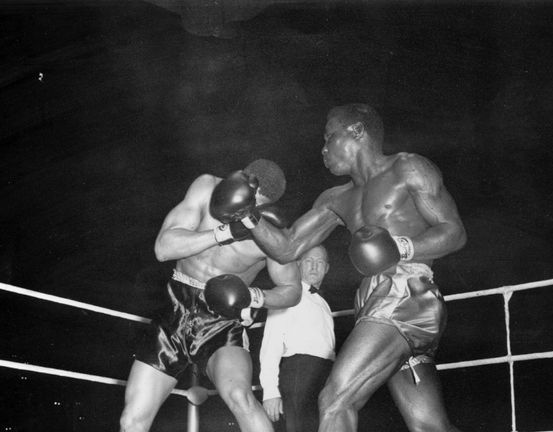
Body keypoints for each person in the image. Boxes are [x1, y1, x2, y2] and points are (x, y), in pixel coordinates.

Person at [229, 104, 467, 431]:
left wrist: (401, 247)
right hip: (375, 303)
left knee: (335, 400)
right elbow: (287, 248)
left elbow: (453, 231)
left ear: (357, 131)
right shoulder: (335, 199)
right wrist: (246, 215)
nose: (323, 149)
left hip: (406, 293)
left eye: (329, 138)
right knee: (429, 426)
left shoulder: (408, 168)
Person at [119, 159, 302, 432]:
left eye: (256, 207)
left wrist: (252, 296)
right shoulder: (206, 188)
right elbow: (163, 248)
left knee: (240, 397)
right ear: (240, 183)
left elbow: (292, 291)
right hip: (174, 308)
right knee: (132, 420)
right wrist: (225, 232)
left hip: (222, 320)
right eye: (246, 201)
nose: (246, 212)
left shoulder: (272, 232)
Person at [259, 244, 336, 432]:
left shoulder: (323, 303)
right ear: (298, 265)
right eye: (308, 261)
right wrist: (270, 391)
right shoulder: (286, 294)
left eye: (319, 262)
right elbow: (271, 343)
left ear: (326, 269)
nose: (313, 267)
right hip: (299, 372)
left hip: (325, 373)